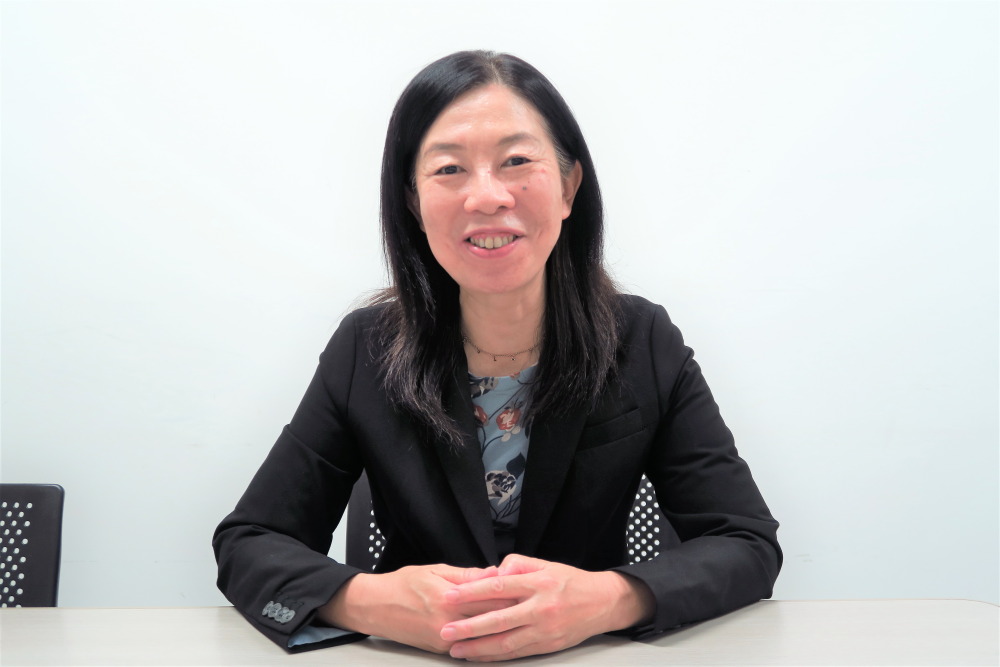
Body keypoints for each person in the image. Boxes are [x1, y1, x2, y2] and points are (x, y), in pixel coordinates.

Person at [213, 50, 781, 661]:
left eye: (516, 161)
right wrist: (369, 601)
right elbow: (250, 541)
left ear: (569, 186)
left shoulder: (642, 339)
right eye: (449, 169)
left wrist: (608, 600)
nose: (486, 197)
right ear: (413, 203)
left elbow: (745, 542)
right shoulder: (366, 348)